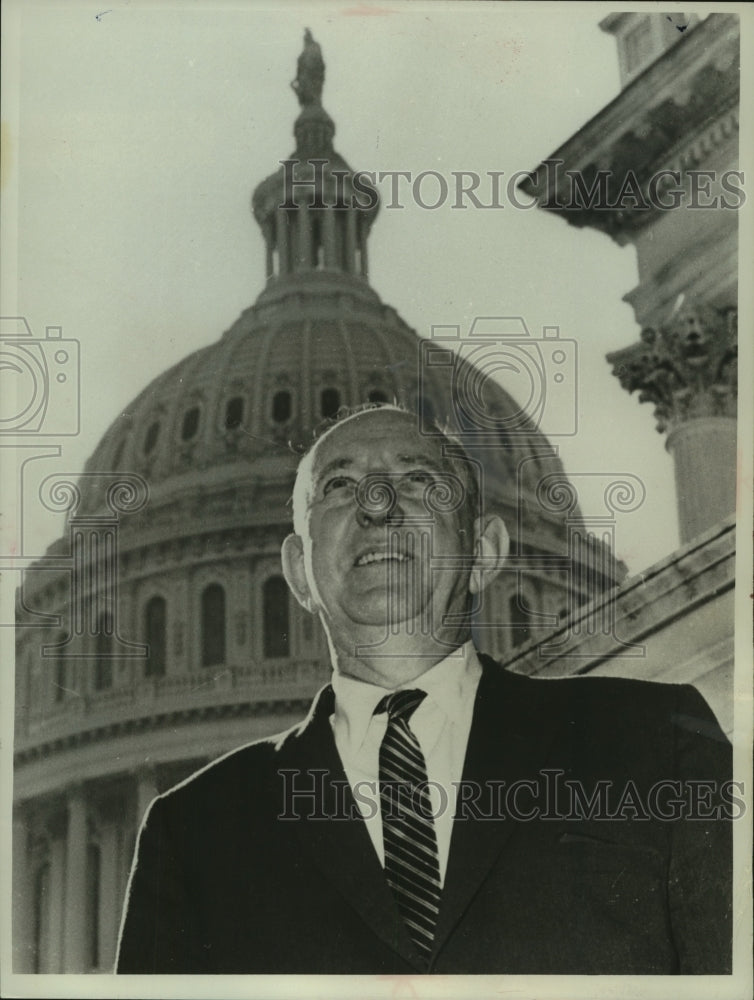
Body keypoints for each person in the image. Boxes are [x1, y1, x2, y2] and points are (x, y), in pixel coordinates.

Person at [116, 404, 732, 975]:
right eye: (338, 486)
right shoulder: (194, 831)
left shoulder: (657, 741)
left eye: (418, 481)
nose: (378, 503)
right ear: (299, 572)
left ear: (484, 553)